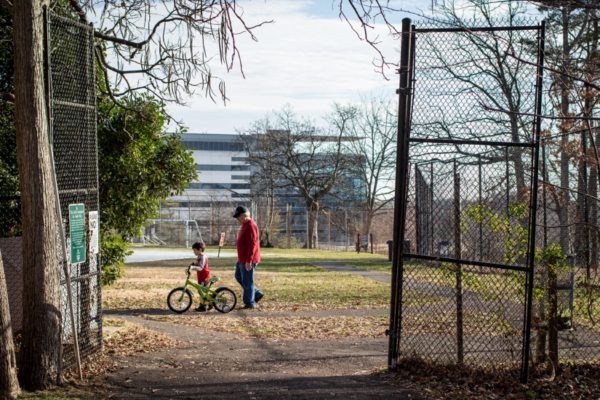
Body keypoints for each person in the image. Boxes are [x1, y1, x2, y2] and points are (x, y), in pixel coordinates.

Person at [233, 205, 263, 309]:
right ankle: (257, 293)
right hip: (242, 258)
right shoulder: (245, 224)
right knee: (238, 276)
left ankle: (250, 303)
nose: (238, 219)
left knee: (247, 281)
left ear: (244, 216)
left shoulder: (251, 225)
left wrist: (249, 260)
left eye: (238, 217)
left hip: (248, 259)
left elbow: (253, 244)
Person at [189, 241, 211, 312]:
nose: (193, 252)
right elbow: (197, 263)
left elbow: (201, 267)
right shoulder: (199, 256)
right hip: (201, 277)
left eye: (194, 250)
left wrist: (192, 268)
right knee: (201, 291)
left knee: (202, 292)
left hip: (205, 277)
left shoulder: (203, 257)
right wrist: (192, 265)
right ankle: (208, 303)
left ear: (200, 249)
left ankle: (203, 306)